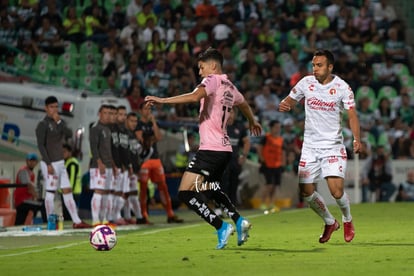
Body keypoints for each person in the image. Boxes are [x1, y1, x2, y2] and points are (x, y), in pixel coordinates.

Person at [145, 47, 262, 249]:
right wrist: (252, 121)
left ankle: (220, 226)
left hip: (211, 149)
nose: (200, 72)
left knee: (185, 193)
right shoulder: (230, 86)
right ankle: (238, 220)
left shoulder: (213, 80)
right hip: (225, 150)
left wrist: (162, 100)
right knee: (211, 188)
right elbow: (243, 104)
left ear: (213, 66)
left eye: (201, 67)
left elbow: (194, 96)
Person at [279, 49, 361, 243]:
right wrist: (286, 103)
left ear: (330, 67)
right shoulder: (306, 83)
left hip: (332, 146)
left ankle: (347, 219)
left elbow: (352, 115)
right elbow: (291, 99)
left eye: (319, 65)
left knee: (336, 192)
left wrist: (357, 139)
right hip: (310, 147)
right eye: (313, 65)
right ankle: (329, 221)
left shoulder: (342, 87)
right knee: (305, 191)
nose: (315, 69)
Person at [35, 96, 90, 229]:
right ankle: (50, 221)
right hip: (50, 163)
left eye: (56, 107)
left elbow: (69, 134)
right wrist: (48, 163)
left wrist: (59, 121)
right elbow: (41, 145)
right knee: (50, 192)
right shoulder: (42, 125)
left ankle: (76, 221)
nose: (54, 109)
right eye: (51, 107)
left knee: (67, 190)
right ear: (46, 108)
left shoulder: (59, 122)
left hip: (60, 163)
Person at [135, 103, 183, 224]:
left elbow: (159, 137)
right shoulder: (138, 125)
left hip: (156, 159)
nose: (148, 111)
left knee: (163, 187)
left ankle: (170, 214)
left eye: (149, 109)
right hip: (144, 160)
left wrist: (154, 123)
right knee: (143, 189)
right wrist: (151, 139)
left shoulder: (152, 124)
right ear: (141, 111)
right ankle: (144, 215)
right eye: (145, 109)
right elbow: (142, 140)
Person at [89, 104, 113, 226]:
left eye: (109, 113)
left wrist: (112, 166)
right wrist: (99, 162)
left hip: (108, 165)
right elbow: (93, 147)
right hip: (99, 166)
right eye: (105, 113)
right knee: (98, 191)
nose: (108, 115)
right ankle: (95, 220)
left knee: (106, 193)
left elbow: (109, 150)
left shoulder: (107, 129)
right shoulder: (95, 128)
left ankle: (104, 220)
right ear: (99, 114)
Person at [257, 120, 286, 213]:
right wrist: (261, 159)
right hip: (267, 164)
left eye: (279, 127)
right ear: (271, 128)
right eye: (276, 127)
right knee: (269, 185)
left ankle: (271, 203)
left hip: (277, 164)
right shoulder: (266, 138)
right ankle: (263, 203)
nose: (278, 129)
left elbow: (283, 152)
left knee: (275, 185)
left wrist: (283, 163)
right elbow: (259, 147)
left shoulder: (281, 139)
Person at [13, 153, 47, 225]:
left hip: (25, 200)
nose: (31, 162)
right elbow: (29, 187)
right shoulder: (24, 171)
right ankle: (47, 224)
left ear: (36, 162)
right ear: (26, 161)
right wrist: (37, 197)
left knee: (19, 221)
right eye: (30, 160)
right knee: (42, 204)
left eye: (33, 161)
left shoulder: (31, 172)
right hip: (22, 200)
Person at [61, 143, 81, 221]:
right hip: (68, 191)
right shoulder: (66, 162)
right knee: (67, 213)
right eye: (61, 152)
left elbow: (72, 177)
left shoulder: (72, 163)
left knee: (70, 213)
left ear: (70, 152)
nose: (63, 154)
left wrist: (70, 190)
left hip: (72, 192)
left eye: (64, 152)